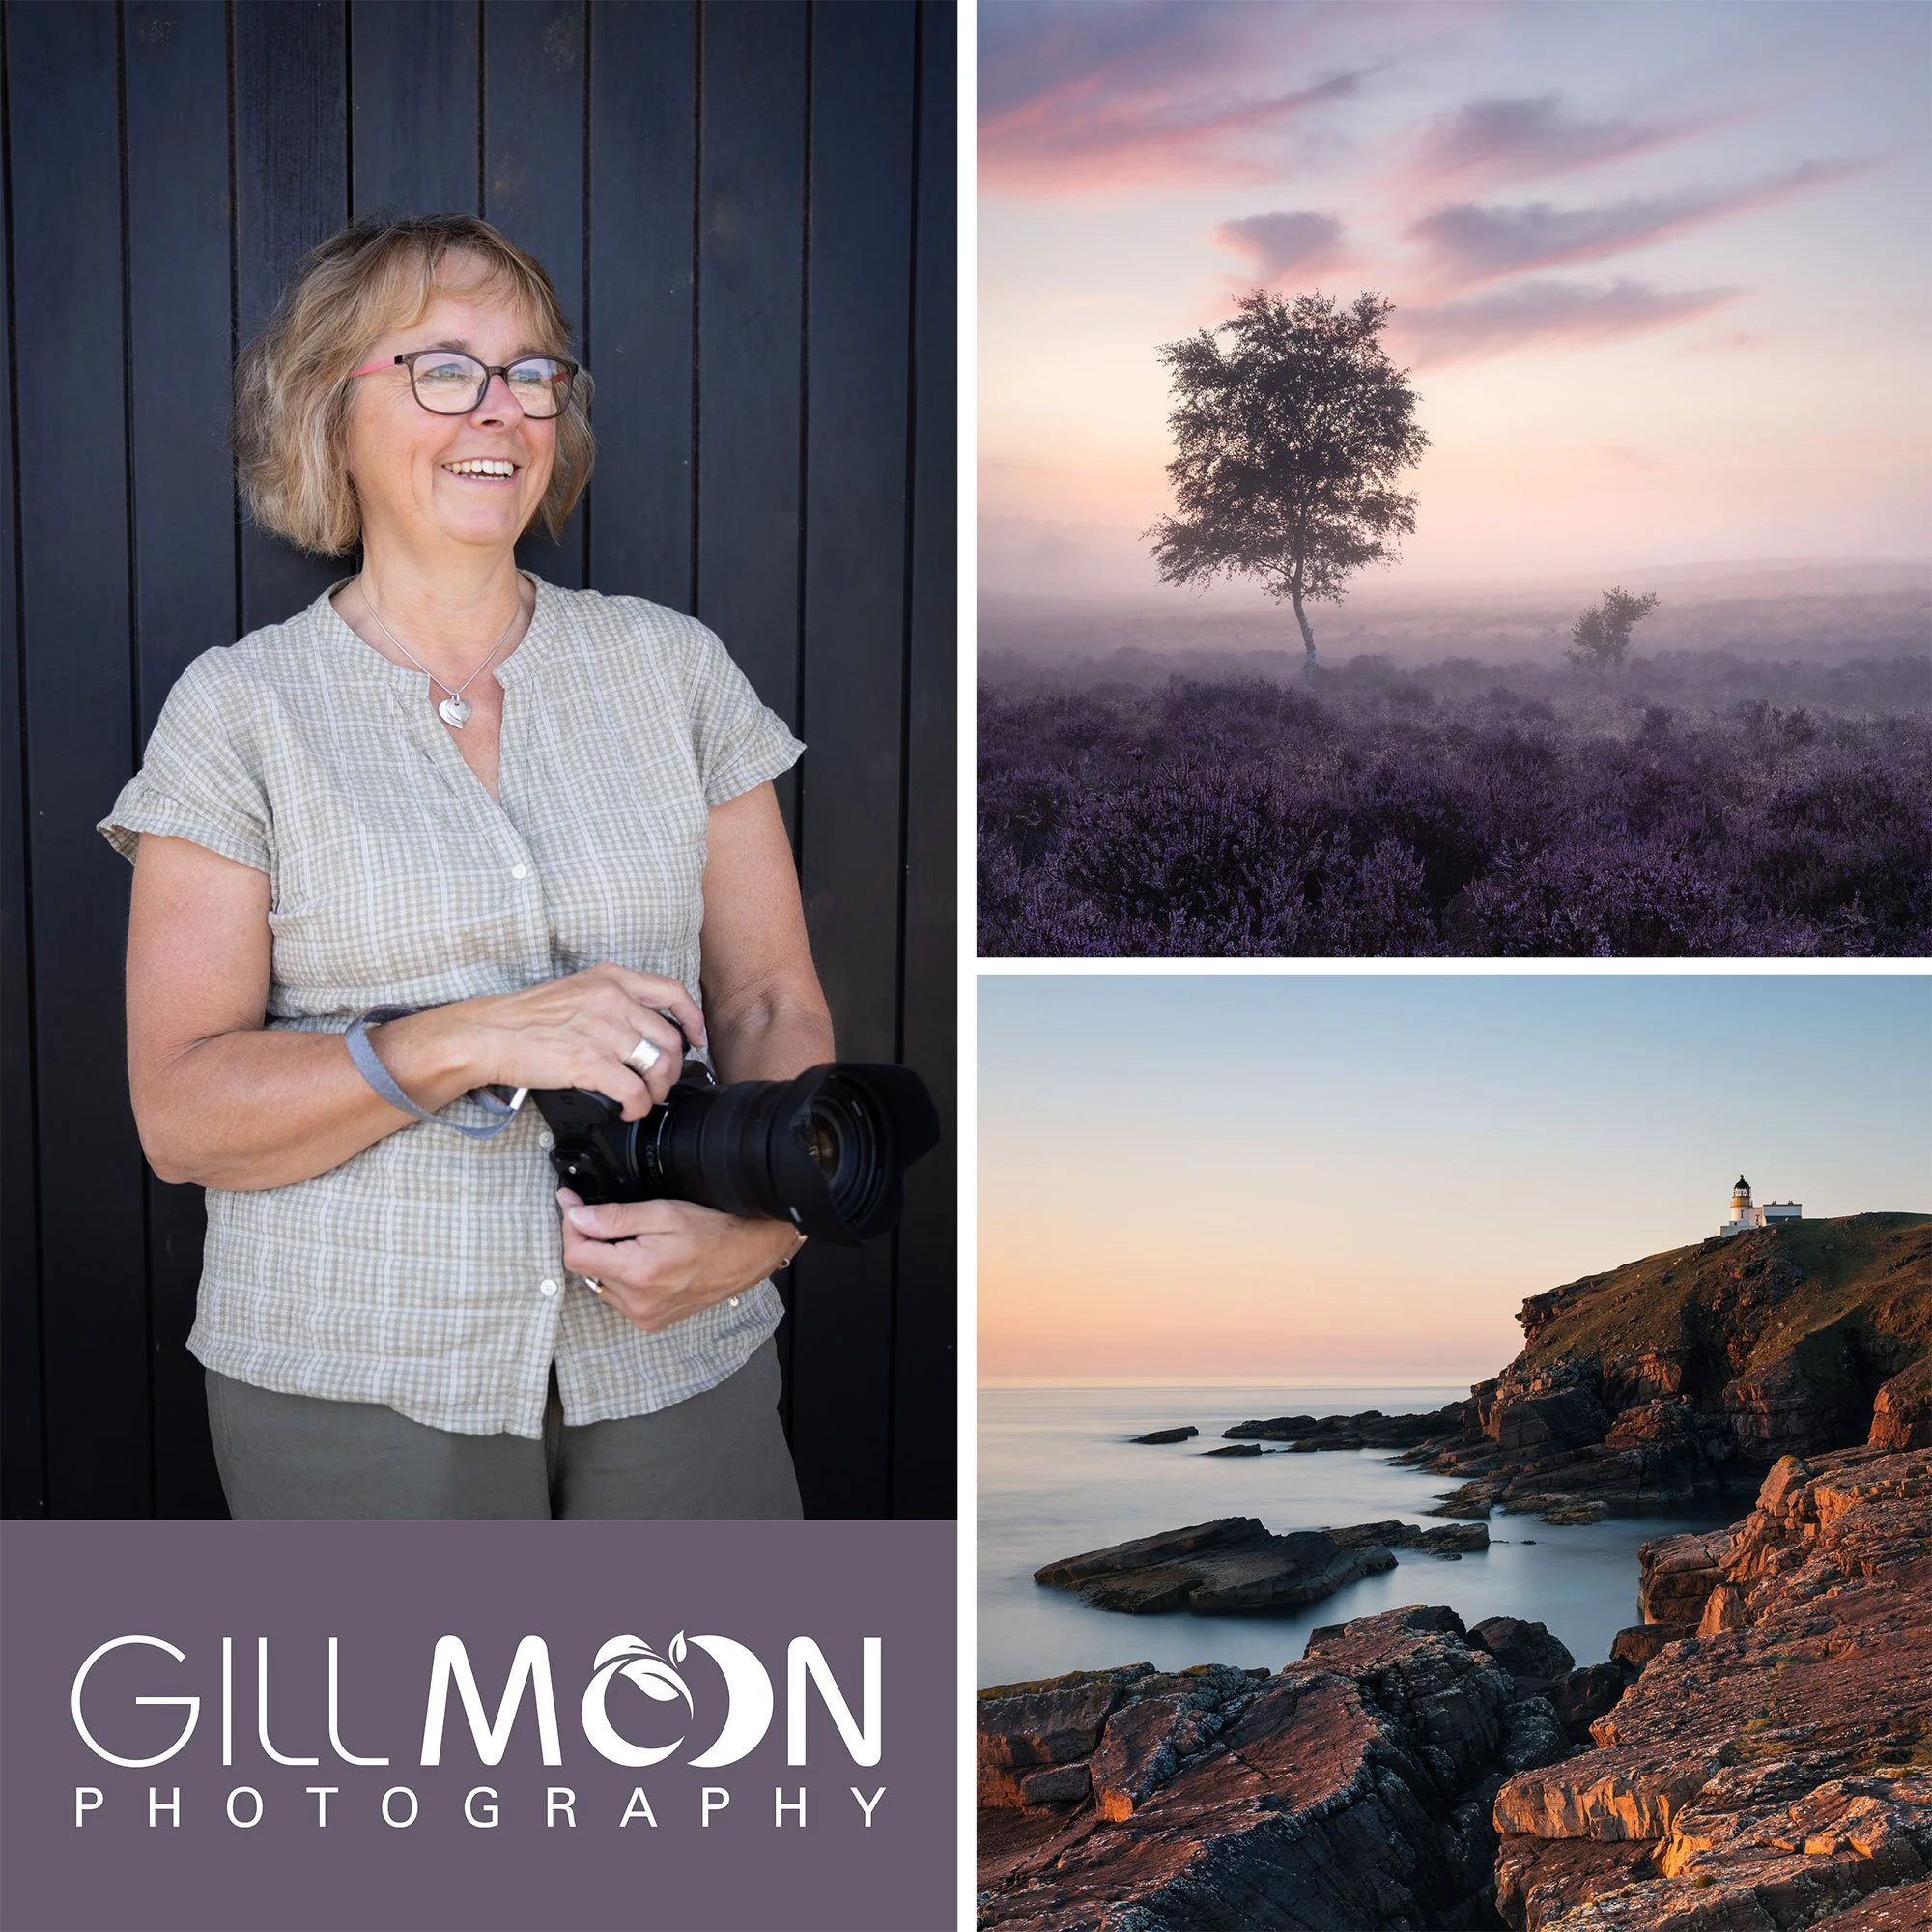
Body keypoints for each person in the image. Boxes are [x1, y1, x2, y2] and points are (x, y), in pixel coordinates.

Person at [97, 213, 832, 1520]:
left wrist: (767, 1224)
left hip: (679, 1362)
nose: (501, 410)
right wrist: (480, 1035)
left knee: (731, 1728)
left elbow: (771, 1002)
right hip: (353, 1381)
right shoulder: (239, 711)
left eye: (532, 371)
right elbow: (183, 1114)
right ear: (329, 409)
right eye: (444, 367)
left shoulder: (673, 670)